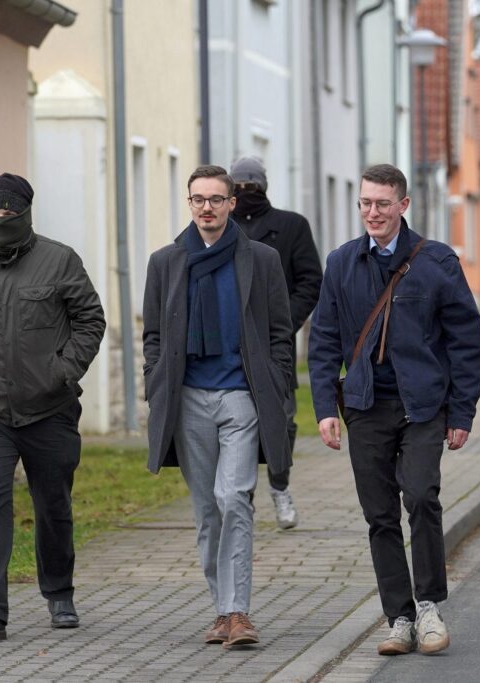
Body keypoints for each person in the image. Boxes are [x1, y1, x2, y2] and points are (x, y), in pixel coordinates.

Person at [308, 164, 480, 656]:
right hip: (365, 407)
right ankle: (400, 618)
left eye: (382, 203)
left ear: (403, 205)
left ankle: (429, 607)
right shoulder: (341, 263)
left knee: (422, 495)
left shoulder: (437, 261)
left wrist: (462, 414)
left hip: (423, 405)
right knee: (379, 514)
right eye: (365, 203)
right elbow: (323, 341)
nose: (373, 212)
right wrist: (324, 407)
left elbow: (468, 343)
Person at [0, 173, 106, 643]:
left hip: (50, 409)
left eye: (8, 213)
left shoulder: (60, 260)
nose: (0, 219)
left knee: (53, 505)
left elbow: (90, 319)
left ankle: (60, 592)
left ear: (25, 213)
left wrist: (63, 372)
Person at [142, 165, 293, 648]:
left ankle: (238, 612)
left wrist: (277, 383)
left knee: (235, 498)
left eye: (215, 199)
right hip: (188, 400)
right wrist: (155, 382)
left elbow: (280, 332)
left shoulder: (261, 260)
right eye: (198, 199)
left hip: (241, 397)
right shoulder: (166, 262)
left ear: (231, 204)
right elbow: (153, 335)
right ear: (189, 204)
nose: (206, 207)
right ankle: (221, 610)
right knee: (207, 509)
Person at [229, 156, 322, 530]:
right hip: (230, 344)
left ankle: (280, 486)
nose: (246, 192)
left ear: (264, 186)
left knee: (282, 421)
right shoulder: (221, 227)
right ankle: (243, 498)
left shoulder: (291, 226)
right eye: (239, 186)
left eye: (252, 185)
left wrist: (284, 324)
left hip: (274, 343)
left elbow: (310, 281)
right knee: (237, 422)